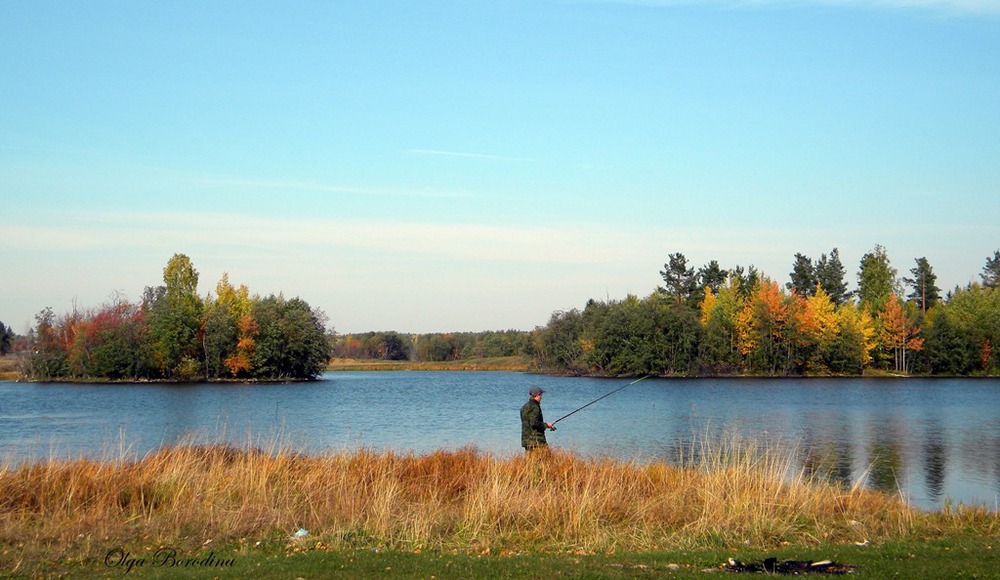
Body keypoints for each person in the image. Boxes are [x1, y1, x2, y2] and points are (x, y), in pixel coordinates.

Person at [520, 385, 554, 452]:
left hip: (526, 441)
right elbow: (534, 423)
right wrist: (547, 425)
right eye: (541, 395)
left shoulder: (524, 407)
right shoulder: (535, 407)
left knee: (530, 461)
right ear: (538, 395)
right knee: (546, 460)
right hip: (537, 441)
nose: (541, 397)